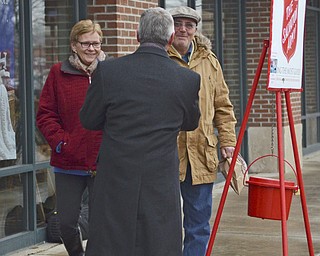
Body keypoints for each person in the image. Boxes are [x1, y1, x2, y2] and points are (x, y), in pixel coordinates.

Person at [79, 7, 200, 256]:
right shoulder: (186, 79)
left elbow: (89, 119)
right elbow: (190, 122)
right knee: (159, 243)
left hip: (115, 176)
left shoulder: (108, 72)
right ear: (169, 40)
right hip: (160, 178)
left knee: (110, 244)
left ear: (137, 35)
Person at [168, 6, 237, 256]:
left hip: (201, 155)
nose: (182, 29)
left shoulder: (209, 61)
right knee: (166, 223)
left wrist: (228, 141)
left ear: (196, 29)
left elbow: (223, 106)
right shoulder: (160, 57)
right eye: (177, 24)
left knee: (198, 225)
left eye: (188, 24)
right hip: (168, 154)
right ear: (169, 28)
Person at [36, 19, 106, 256]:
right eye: (85, 43)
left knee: (101, 225)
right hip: (68, 162)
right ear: (74, 45)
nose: (91, 49)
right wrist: (61, 143)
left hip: (104, 161)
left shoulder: (110, 73)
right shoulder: (59, 72)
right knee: (66, 224)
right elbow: (45, 114)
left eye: (96, 43)